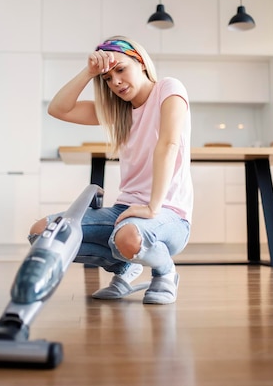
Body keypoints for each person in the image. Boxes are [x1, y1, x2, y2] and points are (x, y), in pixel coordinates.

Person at [29, 36, 192, 305]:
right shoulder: (118, 111)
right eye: (107, 78)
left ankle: (164, 272)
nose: (115, 82)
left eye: (120, 69)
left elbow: (168, 144)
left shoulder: (168, 88)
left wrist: (152, 207)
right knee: (44, 235)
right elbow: (58, 109)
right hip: (125, 211)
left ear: (140, 62)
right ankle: (125, 267)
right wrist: (90, 71)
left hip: (169, 214)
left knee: (127, 235)